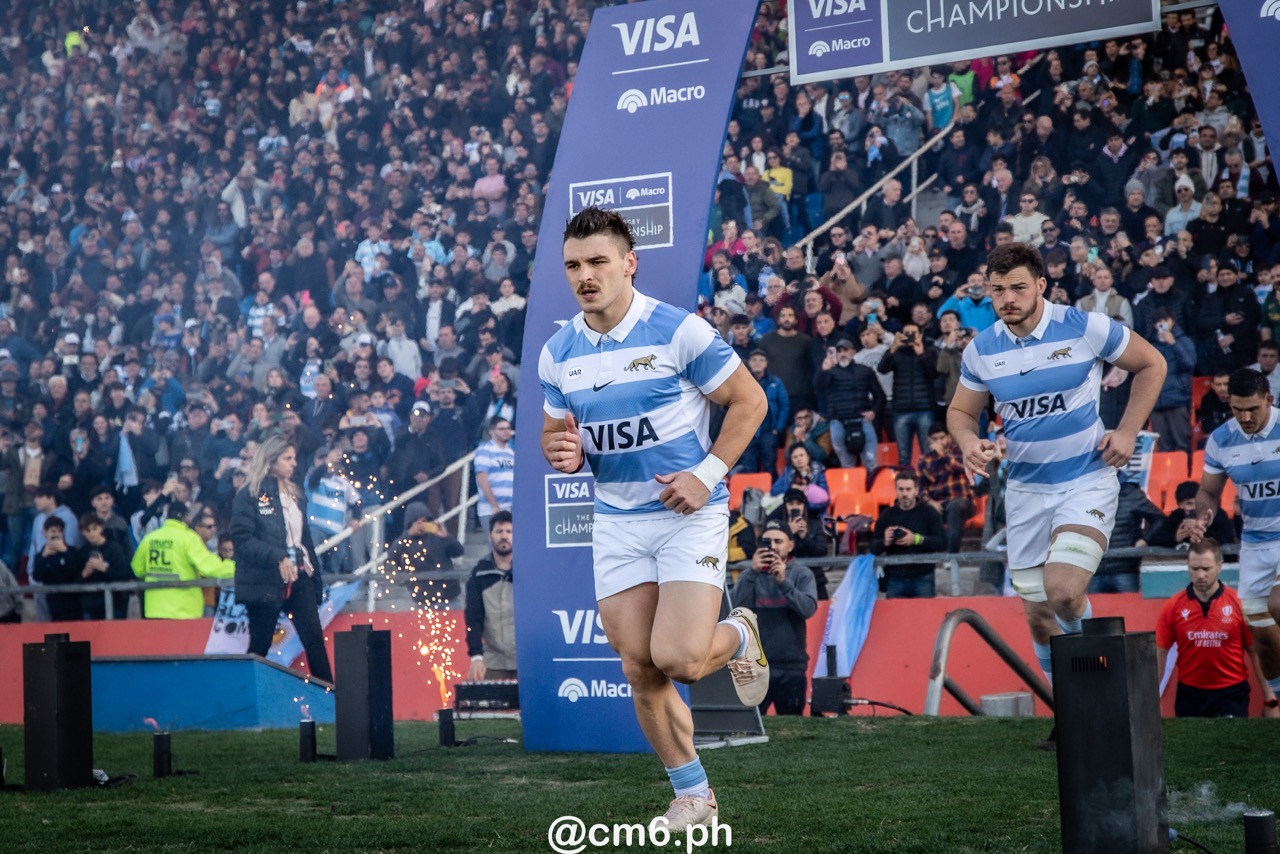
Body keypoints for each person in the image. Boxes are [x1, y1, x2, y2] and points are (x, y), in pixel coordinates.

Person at [540, 208, 768, 831]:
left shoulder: (678, 331)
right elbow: (554, 435)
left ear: (628, 263)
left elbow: (751, 401)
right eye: (574, 266)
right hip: (616, 520)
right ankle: (693, 796)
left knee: (680, 660)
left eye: (597, 262)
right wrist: (559, 451)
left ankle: (742, 634)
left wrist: (706, 475)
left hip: (686, 514)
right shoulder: (558, 352)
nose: (585, 276)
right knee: (638, 665)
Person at [948, 242, 1166, 690]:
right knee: (1039, 611)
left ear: (1041, 286)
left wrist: (1126, 431)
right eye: (998, 290)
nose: (1008, 298)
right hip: (1025, 491)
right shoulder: (981, 349)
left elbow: (1152, 363)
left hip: (1086, 480)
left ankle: (1105, 679)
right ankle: (1073, 707)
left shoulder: (1084, 326)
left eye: (1018, 287)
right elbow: (961, 412)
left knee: (1063, 591)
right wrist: (969, 441)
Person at [1192, 369, 1280, 716]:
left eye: (1253, 410)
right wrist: (1203, 517)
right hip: (1256, 544)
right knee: (1265, 640)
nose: (1244, 417)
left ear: (1269, 401)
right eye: (1237, 409)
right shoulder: (1221, 439)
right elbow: (1209, 492)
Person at [229, 437, 334, 683]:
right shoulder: (249, 493)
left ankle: (332, 702)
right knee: (260, 645)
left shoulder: (296, 494)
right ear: (270, 460)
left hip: (299, 576)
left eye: (294, 458)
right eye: (287, 459)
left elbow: (305, 539)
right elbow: (241, 538)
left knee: (314, 641)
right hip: (264, 579)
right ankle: (247, 699)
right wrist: (277, 557)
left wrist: (315, 580)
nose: (294, 464)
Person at [1156, 538, 1278, 718]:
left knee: (1230, 744)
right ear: (1187, 565)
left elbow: (1255, 652)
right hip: (1189, 695)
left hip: (1231, 694)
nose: (1200, 575)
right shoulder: (1173, 607)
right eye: (1194, 569)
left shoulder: (1238, 603)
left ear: (1219, 566)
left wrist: (1270, 697)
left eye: (1206, 569)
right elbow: (1159, 653)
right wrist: (1150, 697)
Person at [729, 520, 818, 715]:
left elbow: (808, 609)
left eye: (778, 541)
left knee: (791, 728)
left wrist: (783, 583)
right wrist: (752, 573)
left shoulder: (802, 574)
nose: (773, 547)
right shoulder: (749, 574)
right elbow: (734, 609)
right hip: (754, 667)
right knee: (749, 728)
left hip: (791, 666)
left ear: (790, 545)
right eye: (767, 542)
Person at [132, 501, 235, 620]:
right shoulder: (189, 538)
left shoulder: (149, 539)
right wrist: (238, 569)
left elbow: (137, 569)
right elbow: (210, 567)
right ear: (185, 517)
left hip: (154, 609)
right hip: (184, 610)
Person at [464, 511, 516, 681]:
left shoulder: (529, 572)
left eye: (509, 532)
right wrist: (476, 656)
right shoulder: (479, 574)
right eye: (499, 532)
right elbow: (473, 618)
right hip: (493, 661)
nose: (504, 536)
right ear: (490, 536)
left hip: (527, 661)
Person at [385, 501, 465, 608]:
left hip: (449, 598)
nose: (421, 525)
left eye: (424, 521)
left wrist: (447, 537)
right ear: (410, 523)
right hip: (423, 601)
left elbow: (459, 552)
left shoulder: (438, 537)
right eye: (417, 522)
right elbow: (392, 556)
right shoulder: (404, 542)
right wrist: (407, 535)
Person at [916, 425, 975, 553]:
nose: (939, 441)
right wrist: (930, 502)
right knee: (917, 509)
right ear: (929, 440)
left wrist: (943, 455)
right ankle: (923, 558)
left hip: (961, 501)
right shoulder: (924, 459)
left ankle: (951, 556)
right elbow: (920, 487)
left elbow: (962, 467)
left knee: (954, 508)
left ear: (949, 437)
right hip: (937, 504)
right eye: (934, 439)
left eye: (942, 437)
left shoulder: (960, 451)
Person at [1144, 481, 1235, 549]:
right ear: (1181, 505)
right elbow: (1155, 539)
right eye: (1190, 504)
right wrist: (1175, 537)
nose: (1196, 507)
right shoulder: (1177, 516)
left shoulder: (1216, 513)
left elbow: (1228, 540)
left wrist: (1202, 531)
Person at [473, 416, 515, 534]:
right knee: (496, 547)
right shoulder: (484, 450)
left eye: (508, 428)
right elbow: (482, 480)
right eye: (501, 429)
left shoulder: (511, 452)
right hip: (490, 510)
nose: (506, 431)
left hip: (510, 510)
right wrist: (495, 507)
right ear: (491, 431)